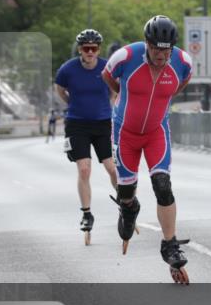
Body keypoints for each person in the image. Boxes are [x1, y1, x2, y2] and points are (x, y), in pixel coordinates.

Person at [103, 15, 193, 284]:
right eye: (156, 49)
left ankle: (170, 244)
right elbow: (107, 76)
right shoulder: (125, 57)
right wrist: (124, 95)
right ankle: (128, 208)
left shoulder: (182, 62)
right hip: (125, 133)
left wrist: (161, 100)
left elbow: (182, 82)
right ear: (147, 44)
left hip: (156, 132)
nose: (161, 55)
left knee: (163, 184)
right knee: (127, 191)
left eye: (166, 49)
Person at [55, 29, 119, 245]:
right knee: (84, 169)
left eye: (94, 48)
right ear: (80, 49)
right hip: (77, 125)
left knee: (111, 167)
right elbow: (60, 89)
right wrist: (71, 104)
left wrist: (107, 106)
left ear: (98, 49)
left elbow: (114, 90)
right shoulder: (68, 69)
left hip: (102, 123)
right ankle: (86, 213)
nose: (90, 52)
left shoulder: (106, 67)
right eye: (86, 48)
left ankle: (125, 202)